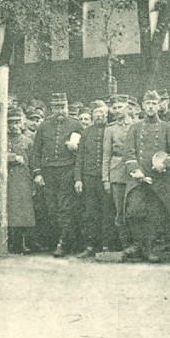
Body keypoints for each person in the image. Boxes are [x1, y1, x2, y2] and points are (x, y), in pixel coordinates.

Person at [122, 90, 170, 263]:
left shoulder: (166, 127)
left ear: (158, 106)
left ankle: (150, 248)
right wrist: (137, 171)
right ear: (143, 106)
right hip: (138, 178)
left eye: (154, 104)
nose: (150, 107)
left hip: (159, 178)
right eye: (147, 103)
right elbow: (128, 152)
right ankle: (139, 244)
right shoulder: (135, 128)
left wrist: (164, 164)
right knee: (134, 210)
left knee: (154, 214)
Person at [31, 93, 84, 257]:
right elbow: (36, 152)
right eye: (57, 107)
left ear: (67, 107)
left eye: (63, 107)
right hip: (48, 172)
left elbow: (82, 152)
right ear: (51, 108)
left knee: (65, 208)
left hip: (67, 171)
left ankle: (63, 243)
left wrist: (77, 175)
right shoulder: (43, 126)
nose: (60, 111)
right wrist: (38, 173)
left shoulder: (76, 125)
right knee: (51, 209)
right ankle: (62, 240)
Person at [0, 108, 35, 254]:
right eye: (11, 123)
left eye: (17, 122)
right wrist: (12, 157)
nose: (14, 126)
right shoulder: (2, 140)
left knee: (24, 213)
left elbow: (34, 162)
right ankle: (8, 243)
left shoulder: (28, 141)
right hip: (7, 179)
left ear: (22, 123)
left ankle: (21, 244)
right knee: (8, 210)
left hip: (23, 180)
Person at [74, 101, 112, 256]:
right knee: (90, 213)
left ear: (106, 113)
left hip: (106, 178)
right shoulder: (86, 133)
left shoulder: (110, 130)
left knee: (107, 212)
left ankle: (106, 246)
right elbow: (80, 157)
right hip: (89, 178)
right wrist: (78, 178)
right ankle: (90, 245)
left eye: (102, 112)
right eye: (96, 112)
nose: (99, 115)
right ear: (92, 115)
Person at [102, 95, 132, 252]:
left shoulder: (136, 125)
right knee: (119, 210)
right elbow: (106, 155)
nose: (117, 110)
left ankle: (137, 244)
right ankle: (125, 244)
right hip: (117, 172)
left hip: (133, 171)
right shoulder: (110, 129)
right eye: (114, 108)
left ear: (127, 107)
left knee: (134, 209)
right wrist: (105, 178)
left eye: (120, 107)